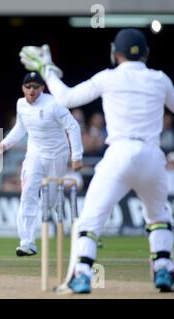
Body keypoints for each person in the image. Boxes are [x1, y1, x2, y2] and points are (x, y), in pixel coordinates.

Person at [20, 28, 174, 293]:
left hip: (119, 154)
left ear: (116, 54)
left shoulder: (108, 77)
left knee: (90, 218)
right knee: (159, 215)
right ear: (146, 53)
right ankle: (163, 270)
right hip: (152, 156)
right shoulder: (161, 79)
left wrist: (46, 69)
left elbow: (66, 98)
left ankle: (81, 274)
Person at [0, 72, 83, 257]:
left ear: (43, 88)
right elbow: (20, 128)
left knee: (49, 201)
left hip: (57, 156)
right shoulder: (21, 105)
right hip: (34, 155)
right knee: (27, 195)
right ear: (23, 88)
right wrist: (4, 144)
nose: (32, 90)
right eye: (28, 86)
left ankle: (60, 224)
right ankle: (27, 242)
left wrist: (77, 156)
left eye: (35, 86)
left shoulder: (54, 104)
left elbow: (73, 127)